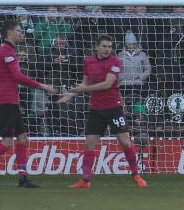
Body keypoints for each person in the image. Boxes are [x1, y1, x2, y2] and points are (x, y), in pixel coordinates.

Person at [0, 20, 56, 189]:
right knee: (8, 142)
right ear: (9, 32)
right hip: (5, 100)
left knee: (22, 138)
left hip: (11, 100)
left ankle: (23, 178)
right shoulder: (6, 51)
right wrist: (42, 85)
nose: (21, 33)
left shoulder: (7, 50)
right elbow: (17, 76)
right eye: (18, 30)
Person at [58, 34, 147, 189]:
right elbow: (84, 83)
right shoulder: (88, 61)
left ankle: (136, 174)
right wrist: (71, 94)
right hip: (96, 109)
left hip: (114, 108)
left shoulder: (115, 62)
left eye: (110, 47)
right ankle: (85, 180)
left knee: (125, 142)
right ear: (97, 47)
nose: (107, 49)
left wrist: (83, 89)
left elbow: (107, 84)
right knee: (89, 144)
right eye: (104, 46)